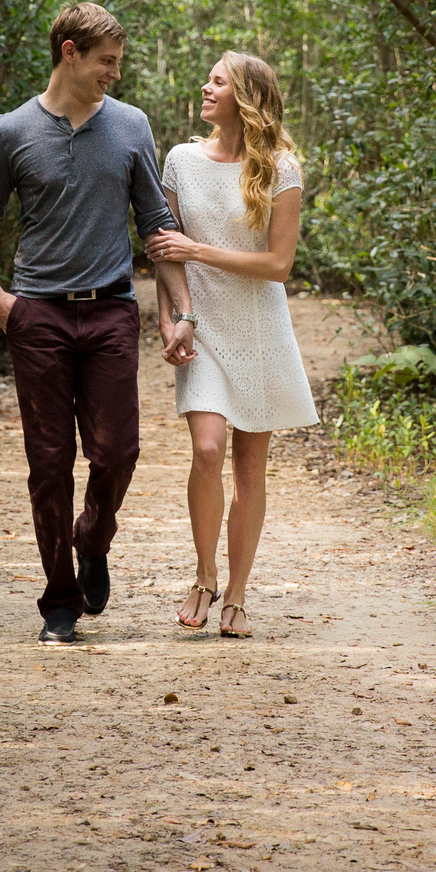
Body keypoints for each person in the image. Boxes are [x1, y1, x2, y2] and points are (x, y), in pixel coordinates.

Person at [0, 1, 197, 645]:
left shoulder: (130, 127)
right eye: (106, 61)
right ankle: (59, 603)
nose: (114, 74)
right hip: (36, 314)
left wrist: (181, 313)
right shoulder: (11, 131)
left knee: (118, 451)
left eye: (117, 62)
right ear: (69, 52)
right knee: (48, 463)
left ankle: (93, 539)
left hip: (111, 311)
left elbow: (158, 227)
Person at [145, 52, 317, 640]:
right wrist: (172, 319)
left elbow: (278, 264)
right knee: (209, 449)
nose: (205, 86)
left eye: (217, 81)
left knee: (249, 469)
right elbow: (162, 253)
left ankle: (238, 594)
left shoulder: (281, 168)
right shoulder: (180, 161)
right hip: (204, 326)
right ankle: (203, 573)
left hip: (261, 331)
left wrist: (199, 251)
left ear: (245, 95)